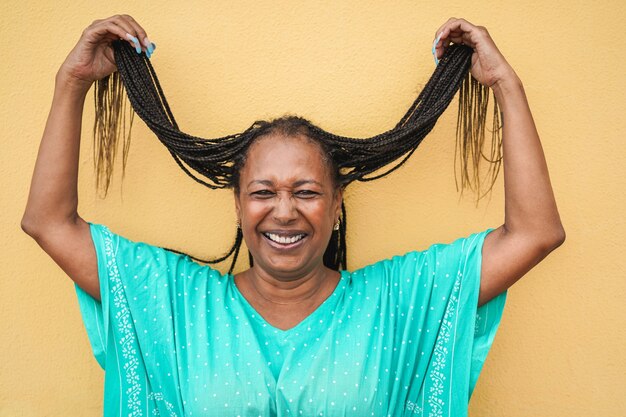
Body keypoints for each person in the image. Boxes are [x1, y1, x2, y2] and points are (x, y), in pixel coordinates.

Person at [21, 14, 565, 417]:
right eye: (263, 191)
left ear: (336, 205)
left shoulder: (396, 302)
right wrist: (72, 84)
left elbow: (535, 233)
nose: (284, 211)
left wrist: (505, 87)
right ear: (238, 204)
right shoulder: (176, 303)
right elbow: (49, 223)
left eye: (306, 191)